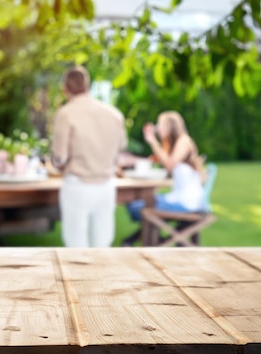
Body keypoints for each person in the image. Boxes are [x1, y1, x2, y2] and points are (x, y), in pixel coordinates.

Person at [51, 65, 127, 248]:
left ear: (65, 89)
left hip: (77, 185)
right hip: (106, 187)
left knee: (76, 247)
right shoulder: (114, 114)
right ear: (88, 85)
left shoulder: (66, 113)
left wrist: (55, 163)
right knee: (102, 246)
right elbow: (121, 149)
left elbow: (60, 157)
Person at [122, 110, 206, 246]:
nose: (158, 128)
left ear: (170, 126)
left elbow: (169, 165)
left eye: (160, 125)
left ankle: (149, 242)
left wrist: (152, 141)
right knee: (134, 203)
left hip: (188, 202)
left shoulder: (184, 141)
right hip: (179, 198)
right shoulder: (175, 144)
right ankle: (150, 241)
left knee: (140, 206)